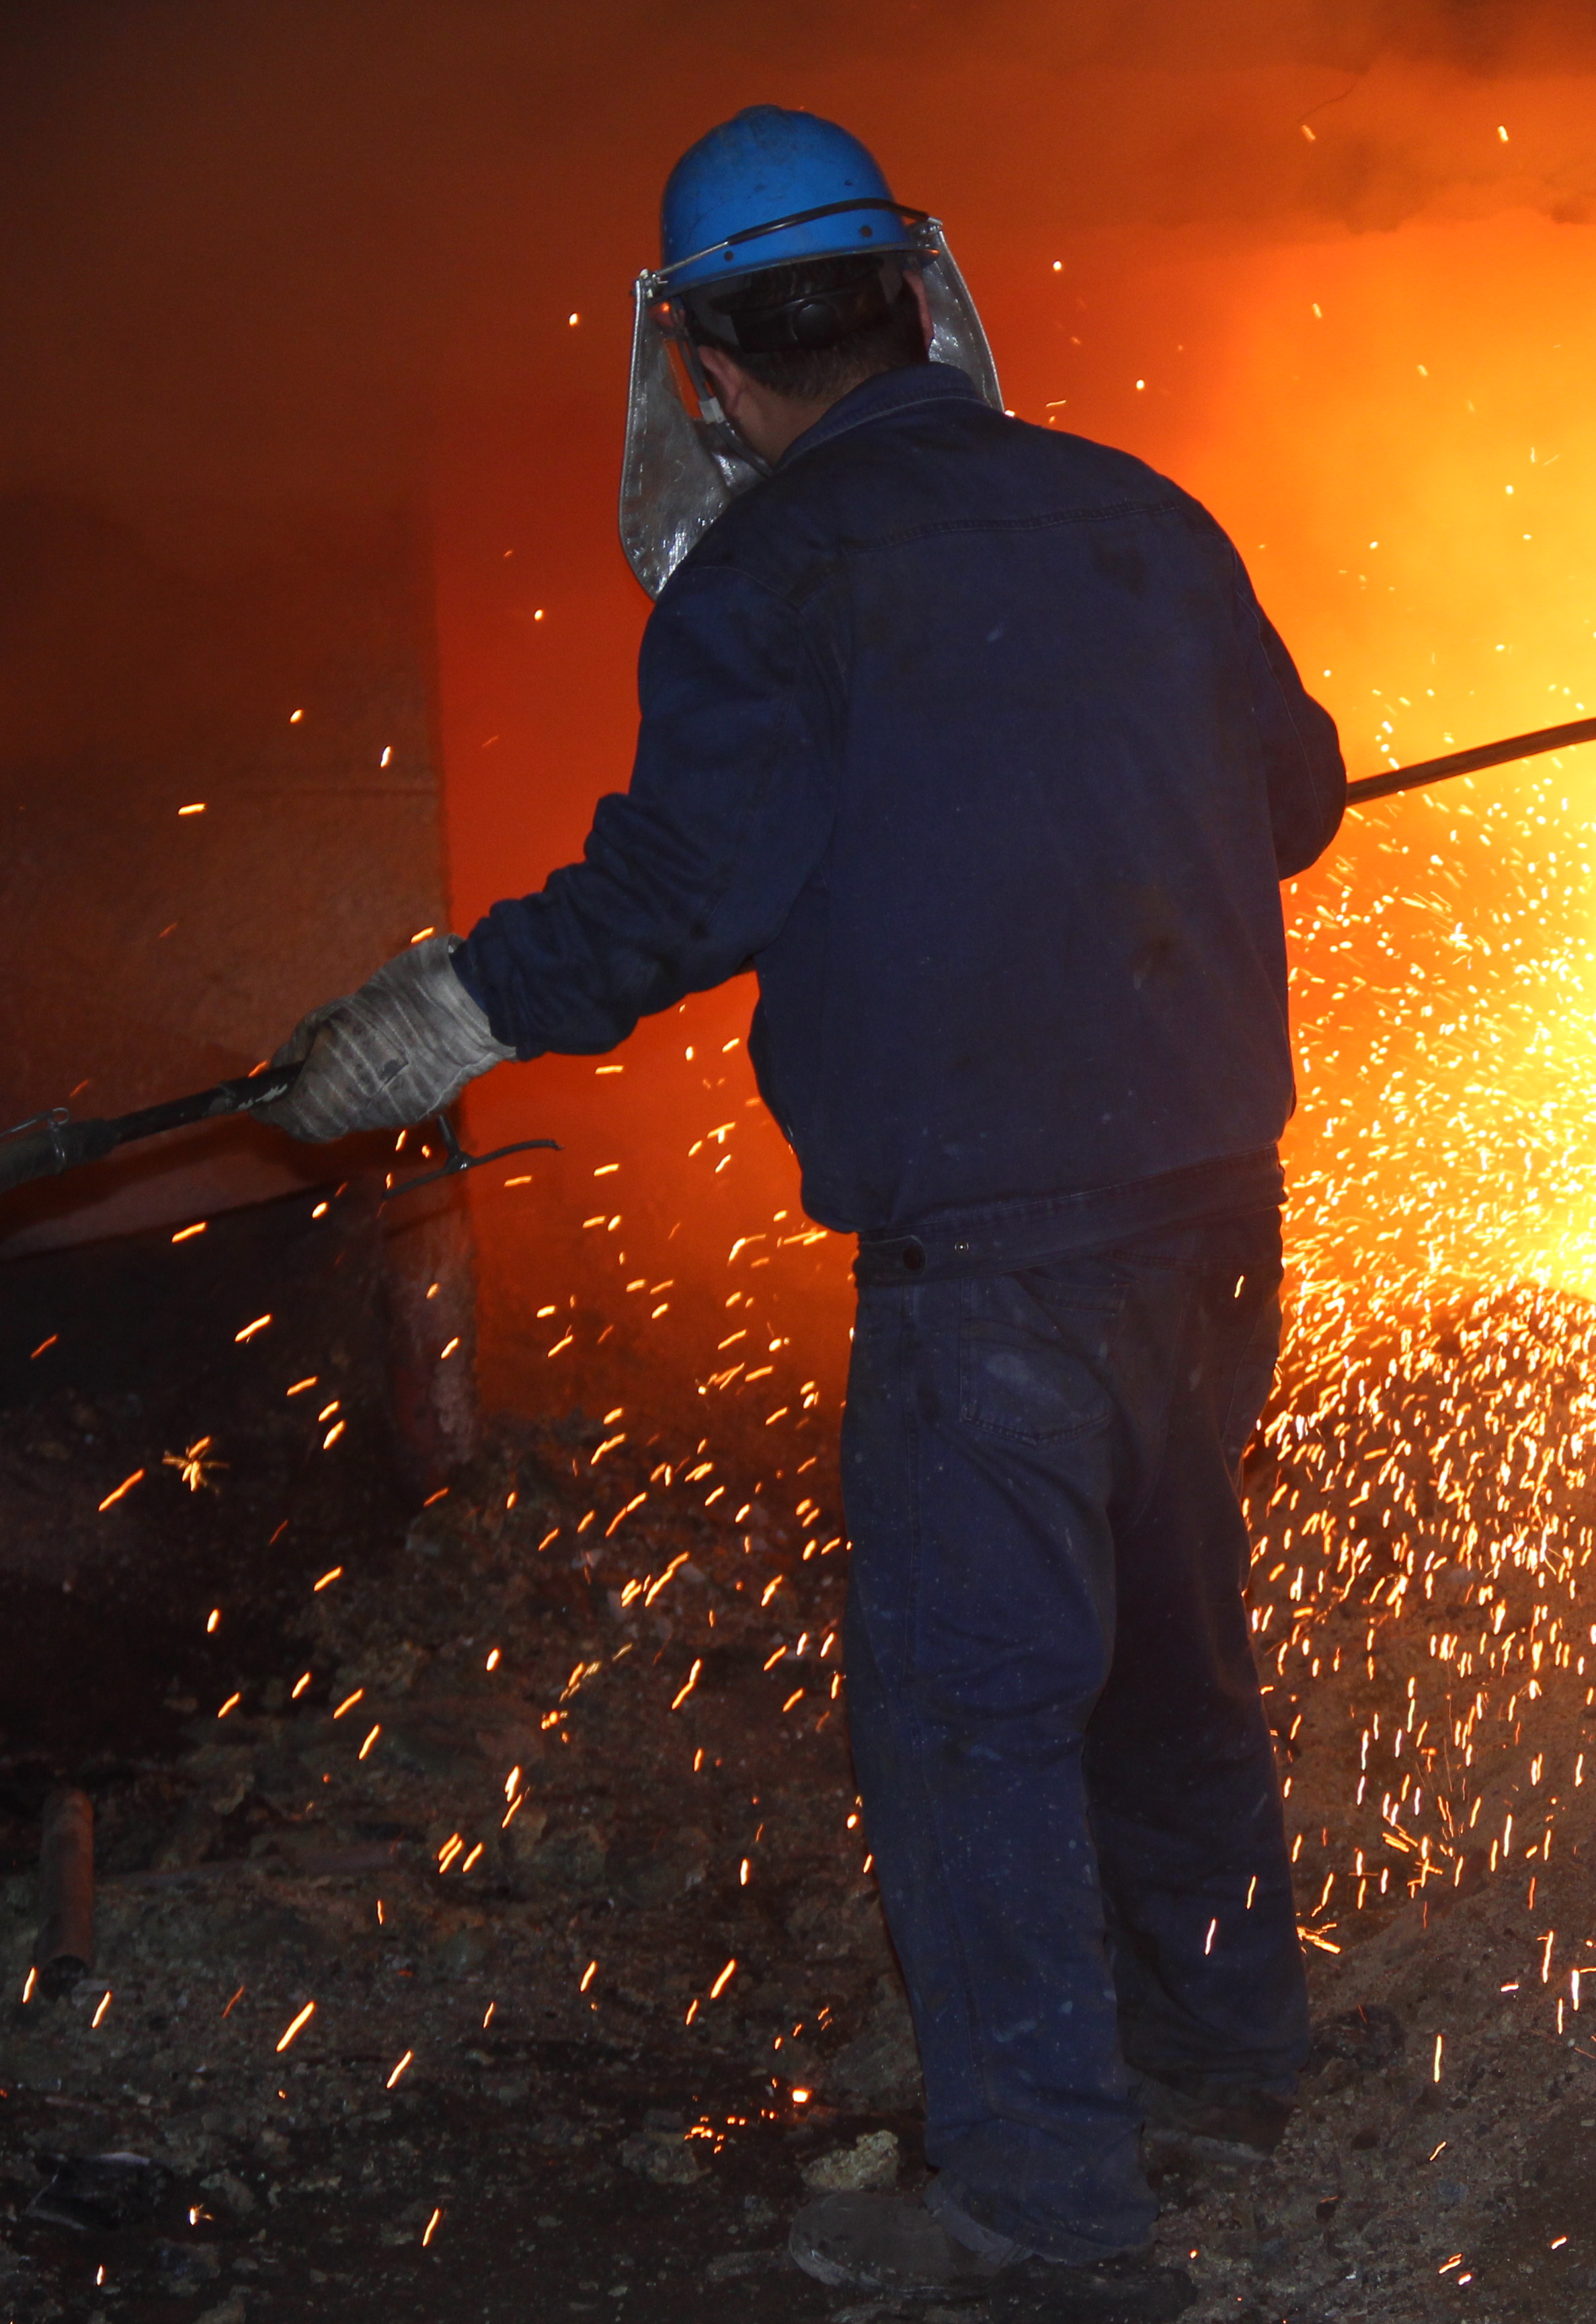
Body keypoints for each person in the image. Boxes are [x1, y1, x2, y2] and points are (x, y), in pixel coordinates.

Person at [263, 106, 1347, 2296]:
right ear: (916, 296)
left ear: (705, 367)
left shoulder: (774, 582)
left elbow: (674, 895)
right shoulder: (1137, 514)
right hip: (1215, 1220)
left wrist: (429, 1024)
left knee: (970, 1718)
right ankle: (1236, 2054)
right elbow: (1303, 798)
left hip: (999, 1261)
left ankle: (1047, 2224)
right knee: (1165, 1661)